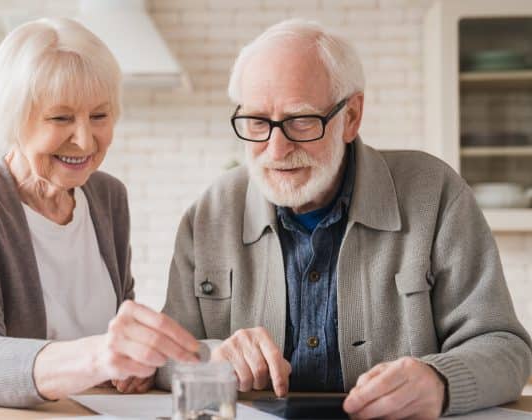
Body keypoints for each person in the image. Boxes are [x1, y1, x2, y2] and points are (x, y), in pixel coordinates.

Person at [159, 19, 532, 418]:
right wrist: (213, 356)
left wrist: (440, 380)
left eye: (301, 120)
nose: (276, 148)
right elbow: (162, 360)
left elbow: (506, 349)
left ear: (351, 117)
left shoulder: (434, 193)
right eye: (257, 121)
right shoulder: (210, 213)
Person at [0, 18, 199, 408]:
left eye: (99, 116)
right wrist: (100, 356)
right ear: (13, 117)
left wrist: (134, 364)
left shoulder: (108, 197)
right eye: (61, 118)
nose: (86, 140)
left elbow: (119, 324)